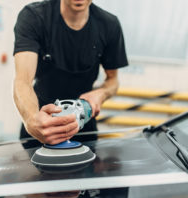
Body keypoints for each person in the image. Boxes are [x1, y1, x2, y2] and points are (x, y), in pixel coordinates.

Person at [13, 0, 128, 145]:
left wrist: (101, 93)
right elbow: (23, 81)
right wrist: (32, 120)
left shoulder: (109, 24)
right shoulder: (35, 17)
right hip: (42, 119)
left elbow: (113, 81)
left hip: (84, 123)